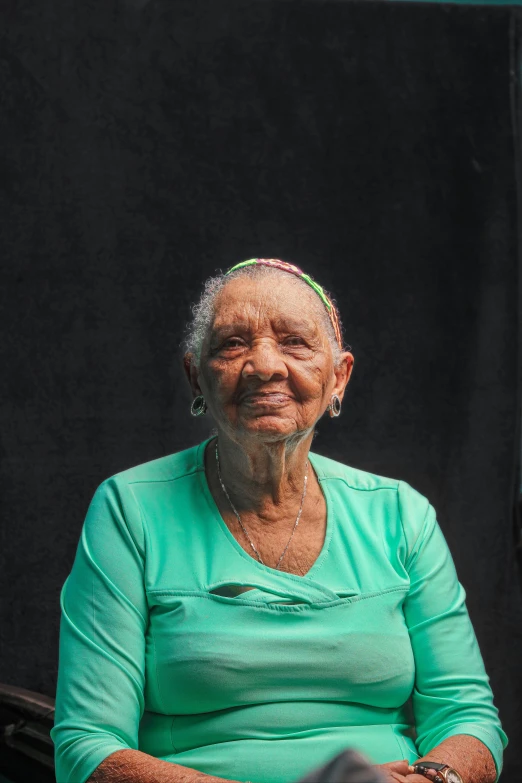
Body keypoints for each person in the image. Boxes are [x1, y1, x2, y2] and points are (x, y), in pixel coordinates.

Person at [50, 259, 508, 783]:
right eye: (232, 344)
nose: (264, 364)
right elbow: (87, 747)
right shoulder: (130, 510)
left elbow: (468, 717)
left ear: (339, 377)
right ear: (195, 376)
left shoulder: (401, 514)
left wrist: (432, 782)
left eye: (293, 341)